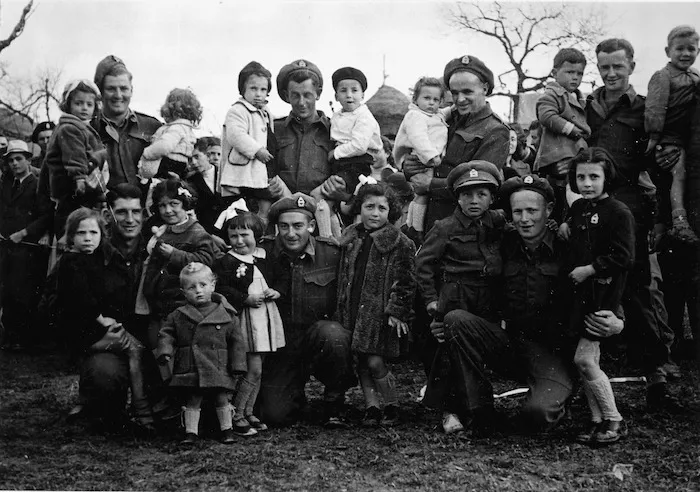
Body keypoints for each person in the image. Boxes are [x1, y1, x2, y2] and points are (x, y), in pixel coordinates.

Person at [586, 38, 672, 409]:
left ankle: (656, 374)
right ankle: (584, 371)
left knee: (636, 288)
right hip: (588, 207)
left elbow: (657, 165)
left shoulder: (642, 111)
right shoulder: (586, 107)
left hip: (628, 208)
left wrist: (657, 216)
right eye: (604, 67)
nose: (610, 74)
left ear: (631, 67)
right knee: (588, 283)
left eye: (617, 67)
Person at [416, 161, 505, 433]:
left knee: (474, 354)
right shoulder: (445, 227)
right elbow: (423, 264)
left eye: (482, 194)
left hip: (486, 299)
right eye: (467, 194)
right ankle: (450, 410)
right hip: (456, 297)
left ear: (492, 197)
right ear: (457, 197)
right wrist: (431, 299)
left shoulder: (498, 223)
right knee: (449, 356)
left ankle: (478, 407)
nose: (474, 201)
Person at [258, 193, 355, 427]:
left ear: (311, 226)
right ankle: (294, 397)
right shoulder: (264, 254)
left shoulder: (330, 254)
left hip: (316, 337)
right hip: (279, 344)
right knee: (274, 415)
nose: (291, 233)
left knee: (335, 335)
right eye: (284, 226)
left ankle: (334, 402)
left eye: (298, 226)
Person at [558, 148, 635, 445]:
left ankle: (614, 419)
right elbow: (577, 234)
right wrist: (564, 225)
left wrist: (590, 269)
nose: (587, 183)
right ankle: (596, 420)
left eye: (594, 176)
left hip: (603, 294)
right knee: (587, 361)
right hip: (581, 296)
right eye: (581, 177)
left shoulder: (618, 212)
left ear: (607, 177)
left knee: (585, 359)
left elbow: (624, 257)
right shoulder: (579, 209)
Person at [57, 208, 153, 429]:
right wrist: (102, 319)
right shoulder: (72, 261)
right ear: (71, 236)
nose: (88, 238)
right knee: (136, 350)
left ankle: (134, 406)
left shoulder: (99, 259)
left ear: (102, 235)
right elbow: (82, 297)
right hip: (88, 330)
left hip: (98, 327)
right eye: (81, 233)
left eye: (93, 232)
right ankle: (141, 408)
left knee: (136, 350)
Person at [335, 183, 416, 426]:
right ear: (360, 207)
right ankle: (371, 406)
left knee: (375, 360)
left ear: (390, 211)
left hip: (378, 313)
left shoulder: (400, 242)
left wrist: (397, 310)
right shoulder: (351, 236)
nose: (375, 213)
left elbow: (406, 281)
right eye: (369, 206)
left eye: (382, 208)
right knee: (360, 360)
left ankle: (391, 403)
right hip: (352, 308)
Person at [403, 55, 510, 229]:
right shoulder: (442, 118)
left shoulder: (496, 130)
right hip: (430, 216)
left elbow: (479, 184)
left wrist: (430, 185)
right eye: (454, 93)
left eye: (467, 92)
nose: (459, 99)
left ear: (485, 88)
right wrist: (409, 166)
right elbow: (416, 152)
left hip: (463, 227)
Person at [156, 262, 247, 445]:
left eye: (203, 285)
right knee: (193, 398)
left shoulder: (227, 314)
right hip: (191, 365)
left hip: (218, 365)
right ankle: (191, 432)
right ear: (183, 292)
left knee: (221, 397)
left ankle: (227, 429)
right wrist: (165, 351)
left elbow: (237, 342)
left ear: (213, 285)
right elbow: (166, 334)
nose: (198, 291)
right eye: (191, 287)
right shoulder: (178, 315)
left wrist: (238, 365)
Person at [214, 212, 286, 435]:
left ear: (257, 235)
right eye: (233, 236)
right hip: (244, 319)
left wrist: (276, 291)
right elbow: (221, 288)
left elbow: (282, 277)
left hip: (264, 318)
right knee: (251, 368)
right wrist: (244, 298)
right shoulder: (227, 261)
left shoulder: (266, 257)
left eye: (244, 235)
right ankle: (236, 413)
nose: (239, 241)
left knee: (258, 368)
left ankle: (248, 410)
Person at [140, 179, 217, 335]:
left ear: (185, 204)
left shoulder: (196, 232)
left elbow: (207, 260)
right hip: (159, 301)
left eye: (174, 204)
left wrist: (175, 255)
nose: (168, 210)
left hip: (182, 301)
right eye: (162, 205)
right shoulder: (162, 229)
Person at [645, 26, 700, 244]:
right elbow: (655, 108)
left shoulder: (695, 77)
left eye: (691, 49)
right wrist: (654, 136)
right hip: (668, 134)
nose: (685, 54)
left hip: (685, 136)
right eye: (680, 49)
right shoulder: (663, 76)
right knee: (679, 173)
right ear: (668, 51)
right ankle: (679, 221)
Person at [270, 59, 350, 205]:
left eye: (307, 95)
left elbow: (349, 172)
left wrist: (341, 184)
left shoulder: (336, 130)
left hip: (323, 212)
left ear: (318, 93)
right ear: (286, 96)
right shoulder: (275, 129)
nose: (301, 102)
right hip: (282, 214)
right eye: (295, 95)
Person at [0, 141, 52, 351]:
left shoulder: (38, 184)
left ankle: (26, 339)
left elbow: (46, 215)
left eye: (19, 159)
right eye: (11, 160)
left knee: (25, 291)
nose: (14, 163)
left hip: (28, 247)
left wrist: (24, 233)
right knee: (7, 290)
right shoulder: (5, 184)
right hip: (5, 245)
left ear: (29, 160)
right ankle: (10, 337)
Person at [45, 79, 109, 239]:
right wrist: (79, 178)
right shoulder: (70, 128)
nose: (84, 108)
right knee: (74, 223)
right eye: (79, 103)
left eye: (89, 104)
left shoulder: (81, 127)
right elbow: (75, 156)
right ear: (68, 105)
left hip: (77, 183)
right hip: (72, 184)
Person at [324, 67, 383, 233]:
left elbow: (359, 145)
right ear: (336, 96)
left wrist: (335, 153)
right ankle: (334, 235)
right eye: (343, 91)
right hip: (343, 161)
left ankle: (353, 228)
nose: (349, 95)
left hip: (359, 161)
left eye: (354, 90)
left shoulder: (364, 117)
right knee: (331, 199)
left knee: (351, 199)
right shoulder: (338, 115)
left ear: (362, 95)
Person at [534, 48, 590, 223]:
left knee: (573, 196)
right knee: (558, 198)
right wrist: (571, 130)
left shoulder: (581, 98)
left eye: (579, 73)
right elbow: (546, 116)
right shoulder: (552, 94)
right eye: (570, 72)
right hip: (557, 157)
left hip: (574, 156)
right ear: (554, 73)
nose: (575, 77)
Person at [219, 62, 277, 225]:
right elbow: (236, 135)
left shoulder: (265, 113)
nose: (258, 94)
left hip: (258, 171)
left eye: (263, 90)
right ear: (242, 89)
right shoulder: (238, 110)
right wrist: (256, 150)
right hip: (242, 171)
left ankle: (261, 227)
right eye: (253, 88)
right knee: (239, 206)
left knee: (264, 201)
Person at [91, 55, 162, 188]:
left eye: (123, 88)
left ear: (131, 90)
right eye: (111, 89)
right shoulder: (88, 130)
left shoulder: (153, 127)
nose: (118, 95)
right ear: (100, 93)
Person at [393, 76, 448, 238]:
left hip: (427, 159)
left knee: (419, 195)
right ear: (415, 99)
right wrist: (431, 157)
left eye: (436, 99)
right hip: (421, 158)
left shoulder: (434, 115)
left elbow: (446, 112)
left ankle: (410, 223)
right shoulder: (415, 116)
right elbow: (419, 139)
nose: (431, 103)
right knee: (422, 194)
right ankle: (415, 227)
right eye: (426, 98)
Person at [138, 88, 201, 181]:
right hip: (181, 165)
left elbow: (165, 145)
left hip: (167, 163)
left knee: (157, 186)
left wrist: (147, 153)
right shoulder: (187, 129)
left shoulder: (176, 128)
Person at [186, 138, 222, 235]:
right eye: (190, 159)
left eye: (197, 157)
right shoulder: (190, 181)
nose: (193, 162)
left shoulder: (224, 175)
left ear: (208, 155)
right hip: (205, 234)